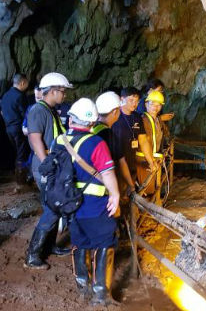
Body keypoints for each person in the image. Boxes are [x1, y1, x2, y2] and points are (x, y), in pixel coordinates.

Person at [52, 98, 120, 304]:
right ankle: (101, 294)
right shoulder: (96, 142)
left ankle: (83, 287)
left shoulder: (59, 140)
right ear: (92, 123)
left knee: (80, 243)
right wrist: (115, 195)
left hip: (70, 204)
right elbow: (107, 173)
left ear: (71, 118)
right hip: (94, 204)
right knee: (105, 242)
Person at [24, 72, 74, 269]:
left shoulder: (50, 110)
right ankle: (33, 255)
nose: (64, 95)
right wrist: (47, 163)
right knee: (52, 210)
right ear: (52, 91)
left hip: (53, 165)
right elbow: (34, 137)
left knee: (55, 207)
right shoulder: (39, 110)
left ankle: (50, 246)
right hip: (45, 167)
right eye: (62, 91)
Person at [112, 87, 156, 194]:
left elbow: (143, 140)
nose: (134, 104)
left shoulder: (137, 117)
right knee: (118, 190)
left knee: (129, 191)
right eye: (131, 100)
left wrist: (151, 161)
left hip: (131, 159)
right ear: (122, 99)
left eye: (137, 101)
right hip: (116, 162)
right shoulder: (114, 116)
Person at [93, 91, 135, 195]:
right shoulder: (109, 135)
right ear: (115, 112)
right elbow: (122, 162)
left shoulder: (91, 128)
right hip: (105, 188)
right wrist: (131, 185)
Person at [1, 73, 30, 192]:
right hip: (18, 128)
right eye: (27, 83)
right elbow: (25, 114)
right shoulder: (20, 96)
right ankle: (21, 183)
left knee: (17, 152)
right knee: (22, 153)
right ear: (22, 83)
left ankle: (19, 179)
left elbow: (2, 112)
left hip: (8, 128)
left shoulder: (5, 96)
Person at [136, 90, 166, 204]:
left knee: (152, 186)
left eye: (158, 104)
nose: (155, 107)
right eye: (152, 103)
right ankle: (145, 215)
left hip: (152, 158)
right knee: (146, 188)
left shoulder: (157, 120)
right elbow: (144, 141)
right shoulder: (143, 119)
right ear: (146, 104)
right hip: (144, 159)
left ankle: (149, 211)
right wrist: (150, 160)